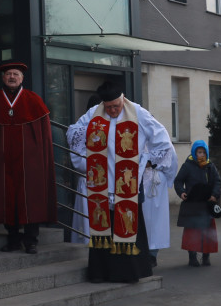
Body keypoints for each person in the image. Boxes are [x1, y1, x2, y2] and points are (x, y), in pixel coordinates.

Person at [72, 81, 175, 284]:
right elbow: (74, 134)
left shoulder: (139, 113)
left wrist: (146, 160)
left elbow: (163, 141)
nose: (112, 110)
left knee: (127, 224)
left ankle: (129, 273)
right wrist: (87, 157)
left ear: (123, 99)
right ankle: (100, 272)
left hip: (128, 182)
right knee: (103, 227)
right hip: (102, 182)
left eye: (116, 106)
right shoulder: (94, 113)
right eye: (108, 107)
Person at [0, 61, 56, 254]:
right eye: (8, 74)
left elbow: (45, 136)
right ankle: (13, 239)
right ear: (3, 78)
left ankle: (31, 240)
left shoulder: (33, 100)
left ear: (22, 78)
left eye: (15, 74)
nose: (12, 77)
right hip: (1, 162)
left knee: (31, 197)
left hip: (29, 162)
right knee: (6, 197)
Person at [173, 140, 221, 267]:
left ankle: (206, 256)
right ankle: (192, 257)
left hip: (207, 203)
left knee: (207, 231)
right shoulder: (187, 166)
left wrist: (214, 195)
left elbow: (217, 181)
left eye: (204, 152)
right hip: (192, 204)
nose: (202, 155)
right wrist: (182, 192)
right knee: (192, 232)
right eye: (199, 152)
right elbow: (178, 181)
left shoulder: (210, 166)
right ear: (194, 153)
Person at [65, 95, 101, 245]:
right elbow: (79, 161)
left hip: (103, 180)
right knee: (87, 222)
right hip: (89, 180)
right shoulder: (82, 130)